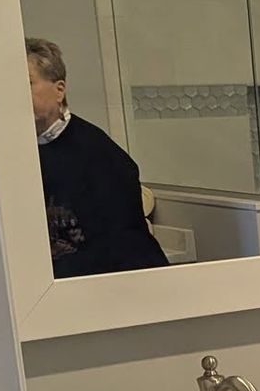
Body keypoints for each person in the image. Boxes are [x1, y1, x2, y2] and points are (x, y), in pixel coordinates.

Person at [27, 37, 166, 277]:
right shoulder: (16, 155)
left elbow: (118, 244)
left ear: (59, 90)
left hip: (124, 284)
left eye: (27, 83)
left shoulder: (100, 156)